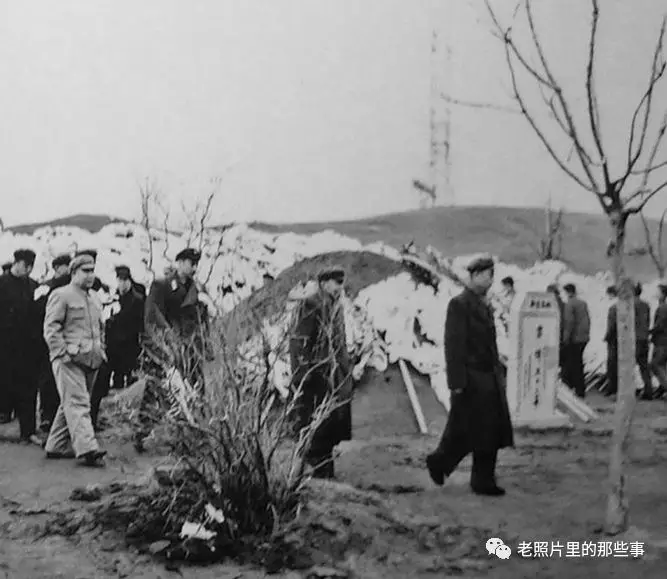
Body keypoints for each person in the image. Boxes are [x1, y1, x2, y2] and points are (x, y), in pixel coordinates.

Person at [426, 255, 514, 496]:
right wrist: (456, 383)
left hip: (489, 378)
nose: (490, 280)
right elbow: (453, 345)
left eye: (492, 276)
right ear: (474, 276)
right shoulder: (460, 304)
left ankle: (480, 478)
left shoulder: (483, 303)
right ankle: (442, 463)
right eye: (486, 275)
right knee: (466, 429)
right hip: (471, 379)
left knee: (487, 430)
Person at [135, 248, 210, 452]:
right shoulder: (162, 285)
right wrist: (166, 341)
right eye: (189, 262)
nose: (193, 267)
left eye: (196, 263)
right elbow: (152, 315)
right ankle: (143, 430)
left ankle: (188, 435)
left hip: (190, 347)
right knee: (158, 388)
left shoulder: (196, 289)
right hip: (167, 346)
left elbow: (201, 318)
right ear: (179, 263)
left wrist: (204, 345)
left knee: (193, 390)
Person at [289, 266, 353, 479]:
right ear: (324, 283)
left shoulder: (337, 307)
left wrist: (345, 375)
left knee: (330, 424)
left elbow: (340, 343)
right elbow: (299, 342)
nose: (340, 288)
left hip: (332, 374)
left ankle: (324, 469)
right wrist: (302, 374)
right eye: (336, 283)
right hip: (314, 375)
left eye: (341, 283)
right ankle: (307, 473)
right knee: (312, 424)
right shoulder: (311, 303)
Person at [43, 254, 107, 466]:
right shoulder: (61, 295)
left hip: (91, 359)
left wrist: (101, 351)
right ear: (73, 273)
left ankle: (56, 445)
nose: (90, 275)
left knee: (71, 403)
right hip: (69, 360)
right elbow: (51, 328)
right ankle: (88, 449)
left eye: (92, 270)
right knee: (78, 403)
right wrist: (61, 353)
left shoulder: (95, 298)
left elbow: (101, 328)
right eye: (85, 271)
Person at [90, 266, 144, 429]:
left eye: (124, 280)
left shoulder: (137, 299)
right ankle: (93, 418)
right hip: (112, 347)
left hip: (129, 347)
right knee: (101, 384)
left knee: (130, 385)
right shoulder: (113, 298)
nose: (122, 284)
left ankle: (130, 420)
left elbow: (138, 325)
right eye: (119, 280)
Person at [0, 249, 43, 443]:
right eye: (26, 266)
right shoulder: (1, 284)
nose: (29, 270)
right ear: (17, 263)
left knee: (28, 389)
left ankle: (28, 431)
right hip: (4, 347)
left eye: (31, 267)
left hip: (27, 348)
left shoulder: (33, 286)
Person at [34, 253, 72, 433]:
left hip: (66, 339)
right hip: (46, 341)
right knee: (48, 380)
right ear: (57, 268)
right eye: (65, 266)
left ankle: (58, 419)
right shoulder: (45, 288)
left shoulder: (72, 287)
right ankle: (47, 416)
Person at [604, 282, 653, 399]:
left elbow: (621, 323)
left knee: (627, 366)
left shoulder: (626, 305)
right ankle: (648, 390)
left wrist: (609, 337)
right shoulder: (646, 305)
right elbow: (647, 321)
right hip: (644, 337)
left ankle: (626, 392)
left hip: (632, 339)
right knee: (644, 366)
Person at [561, 283, 590, 398]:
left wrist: (565, 339)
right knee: (578, 364)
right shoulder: (583, 303)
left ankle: (575, 389)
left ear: (567, 292)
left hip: (575, 338)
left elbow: (569, 322)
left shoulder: (570, 304)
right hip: (583, 338)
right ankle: (580, 388)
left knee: (572, 364)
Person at [649, 282, 667, 399]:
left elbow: (659, 325)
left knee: (655, 365)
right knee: (662, 365)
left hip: (662, 341)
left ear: (662, 294)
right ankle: (662, 388)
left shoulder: (662, 308)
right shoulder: (662, 307)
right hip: (662, 340)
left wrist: (649, 332)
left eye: (657, 291)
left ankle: (665, 386)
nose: (655, 293)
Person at [547, 283, 566, 379]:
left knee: (556, 355)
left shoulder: (555, 302)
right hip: (559, 331)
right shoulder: (561, 302)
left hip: (556, 332)